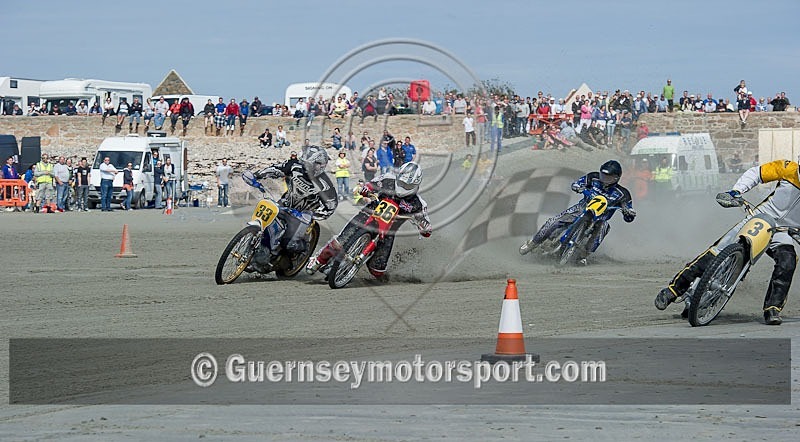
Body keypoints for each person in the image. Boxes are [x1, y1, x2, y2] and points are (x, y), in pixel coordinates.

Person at [655, 159, 800, 325]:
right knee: (717, 251)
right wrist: (736, 191)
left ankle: (772, 308)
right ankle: (673, 290)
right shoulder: (788, 168)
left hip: (785, 231)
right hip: (760, 217)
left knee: (788, 261)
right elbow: (756, 174)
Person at [306, 162, 432, 279]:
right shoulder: (388, 179)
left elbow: (426, 226)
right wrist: (366, 190)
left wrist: (425, 227)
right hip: (368, 214)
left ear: (415, 185)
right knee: (340, 242)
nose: (403, 187)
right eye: (402, 182)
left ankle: (361, 264)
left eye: (407, 185)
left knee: (377, 270)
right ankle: (318, 259)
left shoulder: (418, 204)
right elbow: (370, 185)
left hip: (388, 231)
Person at [519, 160, 636, 264]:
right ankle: (533, 243)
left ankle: (583, 256)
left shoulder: (622, 194)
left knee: (604, 227)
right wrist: (578, 187)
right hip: (581, 208)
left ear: (616, 178)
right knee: (555, 221)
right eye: (602, 175)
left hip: (601, 218)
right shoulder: (593, 177)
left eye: (608, 177)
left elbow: (629, 215)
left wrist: (628, 212)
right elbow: (577, 183)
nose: (603, 179)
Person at [249, 145, 339, 270]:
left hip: (303, 216)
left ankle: (295, 256)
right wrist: (257, 175)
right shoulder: (294, 166)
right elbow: (276, 169)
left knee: (290, 244)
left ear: (320, 165)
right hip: (285, 204)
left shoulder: (325, 185)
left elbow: (331, 206)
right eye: (305, 162)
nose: (307, 166)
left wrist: (314, 215)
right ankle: (256, 251)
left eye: (312, 164)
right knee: (265, 225)